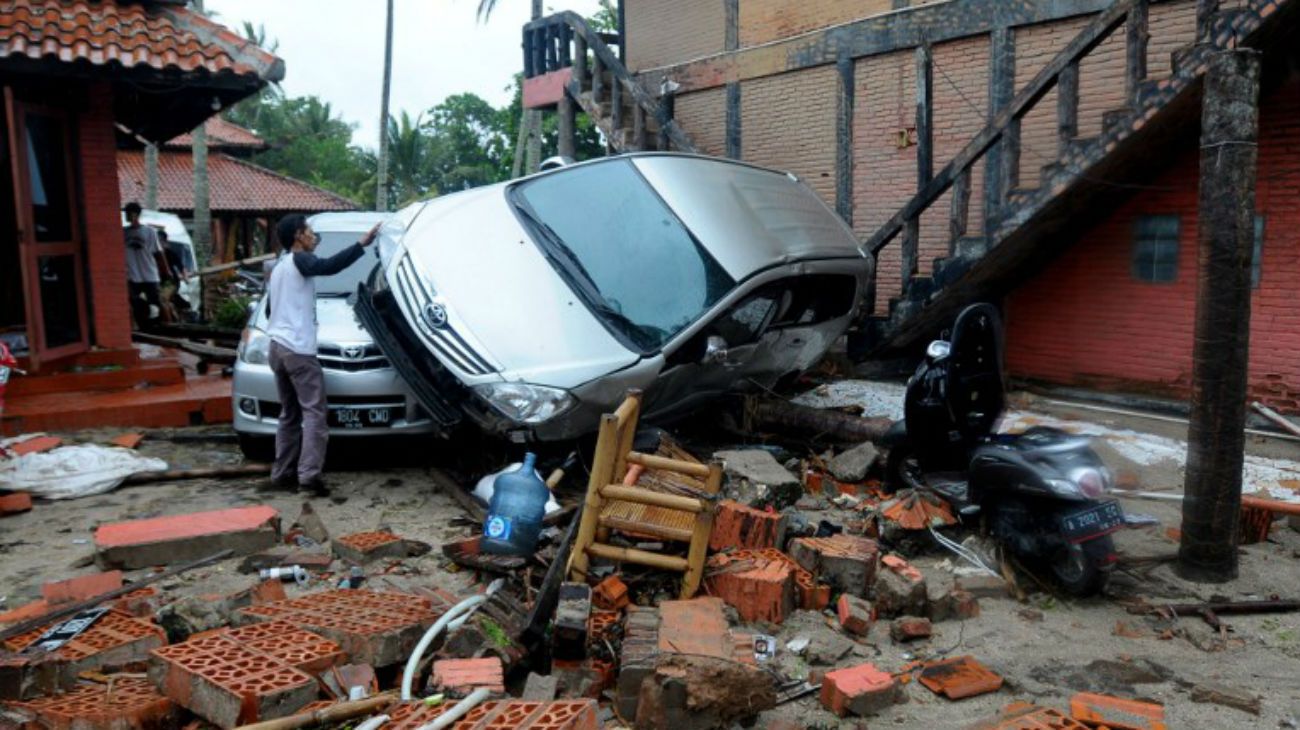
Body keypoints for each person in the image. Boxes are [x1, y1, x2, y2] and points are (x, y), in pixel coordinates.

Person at [265, 214, 379, 494]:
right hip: (297, 350)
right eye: (309, 232)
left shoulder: (279, 266)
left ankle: (281, 473)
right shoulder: (300, 259)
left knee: (289, 415)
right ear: (298, 237)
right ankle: (309, 478)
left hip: (277, 346)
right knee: (314, 413)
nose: (313, 237)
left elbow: (269, 309)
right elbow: (327, 267)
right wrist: (361, 244)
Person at [122, 203, 174, 329]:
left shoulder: (149, 232)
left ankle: (170, 327)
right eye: (126, 213)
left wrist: (166, 271)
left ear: (136, 214)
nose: (127, 216)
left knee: (157, 302)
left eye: (129, 213)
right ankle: (140, 328)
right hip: (132, 275)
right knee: (133, 303)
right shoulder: (123, 233)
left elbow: (158, 252)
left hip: (149, 274)